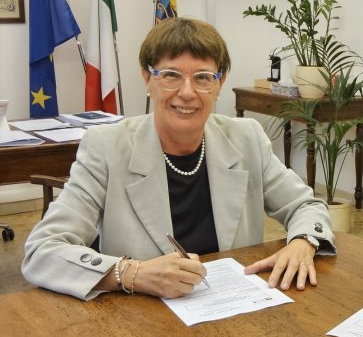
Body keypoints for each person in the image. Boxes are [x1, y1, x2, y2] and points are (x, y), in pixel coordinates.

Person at [23, 17, 335, 300]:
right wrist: (133, 274)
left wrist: (302, 243)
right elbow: (42, 251)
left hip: (235, 309)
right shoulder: (106, 147)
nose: (187, 92)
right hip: (139, 322)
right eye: (171, 75)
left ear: (220, 83)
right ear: (147, 78)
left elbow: (305, 206)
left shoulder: (246, 138)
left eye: (203, 78)